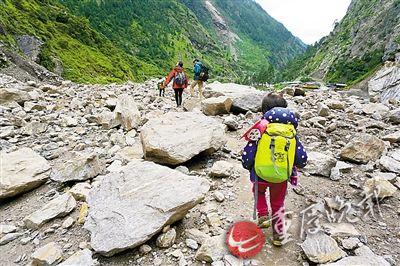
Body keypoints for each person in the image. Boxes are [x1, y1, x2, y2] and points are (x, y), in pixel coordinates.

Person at [241, 92, 308, 246]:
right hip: (281, 177)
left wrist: (248, 165)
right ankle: (278, 235)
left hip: (260, 175)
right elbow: (301, 158)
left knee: (258, 192)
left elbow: (248, 153)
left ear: (263, 113)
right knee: (278, 204)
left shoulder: (260, 129)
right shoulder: (292, 133)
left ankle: (263, 214)